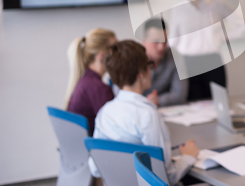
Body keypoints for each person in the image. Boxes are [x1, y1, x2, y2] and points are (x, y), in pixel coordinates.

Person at [91, 40, 199, 186]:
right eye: (149, 65)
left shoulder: (104, 112)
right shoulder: (148, 115)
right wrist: (188, 157)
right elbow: (166, 177)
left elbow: (95, 168)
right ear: (142, 74)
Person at [167, 0, 229, 101]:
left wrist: (226, 36)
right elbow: (172, 40)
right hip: (189, 63)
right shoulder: (178, 9)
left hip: (213, 60)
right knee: (193, 103)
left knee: (219, 101)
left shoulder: (217, 4)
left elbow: (242, 23)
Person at [65, 28, 117, 135]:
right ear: (101, 55)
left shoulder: (86, 80)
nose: (120, 54)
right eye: (116, 49)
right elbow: (117, 128)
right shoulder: (99, 88)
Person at [142, 18, 188, 106]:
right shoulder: (133, 59)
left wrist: (158, 100)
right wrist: (145, 102)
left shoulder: (174, 56)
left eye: (165, 41)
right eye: (155, 42)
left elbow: (180, 94)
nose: (161, 47)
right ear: (144, 42)